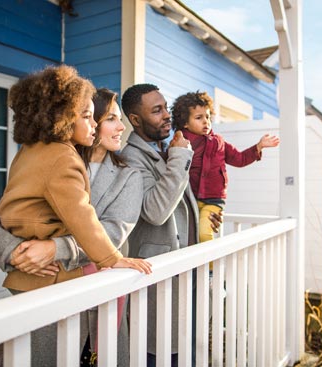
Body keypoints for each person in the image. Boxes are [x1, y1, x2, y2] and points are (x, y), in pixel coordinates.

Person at [0, 67, 150, 366]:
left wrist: (53, 248)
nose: (94, 123)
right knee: (49, 357)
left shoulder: (30, 151)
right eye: (90, 116)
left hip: (42, 272)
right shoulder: (63, 157)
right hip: (49, 279)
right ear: (61, 118)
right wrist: (112, 259)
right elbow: (81, 215)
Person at [120, 84, 222, 367]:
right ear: (135, 120)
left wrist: (201, 213)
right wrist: (179, 157)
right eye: (157, 111)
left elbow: (179, 200)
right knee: (161, 353)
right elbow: (155, 211)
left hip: (184, 270)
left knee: (185, 347)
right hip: (158, 276)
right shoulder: (131, 158)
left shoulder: (168, 146)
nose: (167, 115)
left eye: (165, 107)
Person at [171, 90, 280, 243]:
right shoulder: (181, 141)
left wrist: (259, 146)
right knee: (188, 237)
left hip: (213, 200)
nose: (206, 121)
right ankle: (194, 267)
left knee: (204, 234)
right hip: (189, 198)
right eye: (199, 117)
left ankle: (209, 267)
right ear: (185, 123)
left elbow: (240, 159)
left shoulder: (219, 141)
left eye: (208, 117)